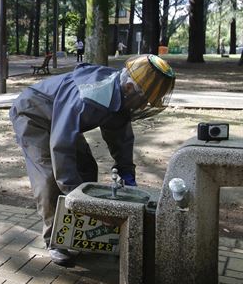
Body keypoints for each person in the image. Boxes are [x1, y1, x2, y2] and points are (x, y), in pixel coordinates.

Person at [9, 54, 175, 266]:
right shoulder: (90, 96)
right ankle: (56, 240)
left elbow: (120, 138)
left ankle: (84, 232)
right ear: (129, 89)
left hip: (61, 116)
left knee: (87, 167)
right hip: (33, 114)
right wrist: (76, 195)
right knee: (49, 178)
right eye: (143, 100)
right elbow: (61, 145)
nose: (143, 107)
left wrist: (126, 172)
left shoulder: (120, 96)